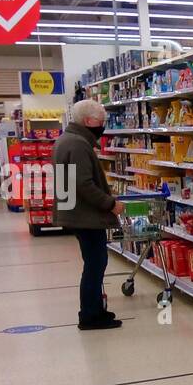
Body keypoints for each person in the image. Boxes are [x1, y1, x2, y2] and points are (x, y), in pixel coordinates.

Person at [52, 98, 124, 331]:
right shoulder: (78, 145)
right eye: (101, 121)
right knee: (95, 264)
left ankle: (95, 310)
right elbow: (83, 183)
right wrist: (110, 203)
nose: (103, 125)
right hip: (84, 216)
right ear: (88, 120)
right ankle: (90, 315)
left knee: (93, 263)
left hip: (76, 213)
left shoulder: (69, 140)